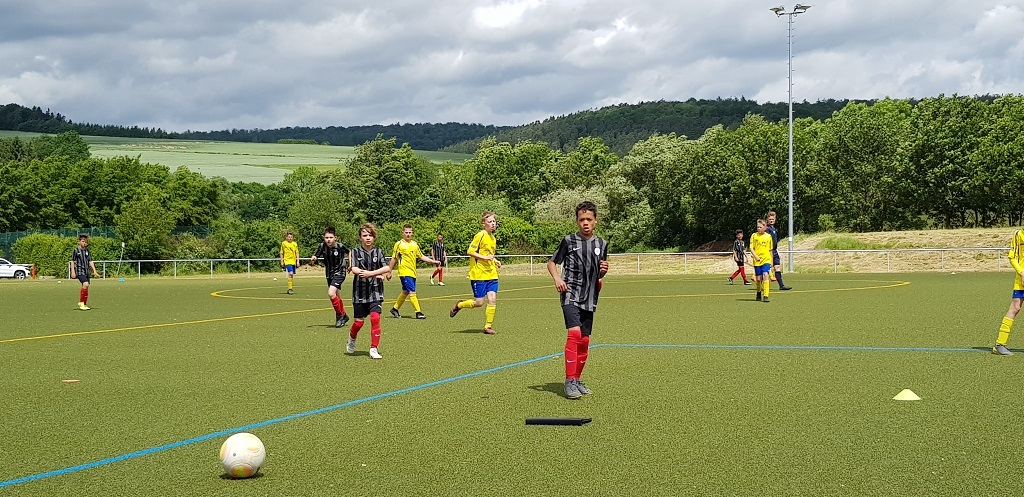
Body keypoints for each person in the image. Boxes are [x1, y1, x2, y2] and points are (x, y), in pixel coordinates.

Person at [547, 201, 608, 400]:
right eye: (582, 219)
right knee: (574, 333)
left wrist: (603, 272)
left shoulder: (602, 244)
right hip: (570, 293)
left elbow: (598, 273)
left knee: (585, 340)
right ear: (577, 221)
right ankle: (569, 381)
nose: (585, 223)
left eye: (589, 219)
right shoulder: (569, 241)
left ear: (596, 221)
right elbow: (552, 263)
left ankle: (577, 380)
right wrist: (558, 278)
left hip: (590, 296)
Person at [450, 211, 502, 334]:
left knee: (492, 299)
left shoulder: (493, 238)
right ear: (483, 223)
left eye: (494, 221)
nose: (493, 224)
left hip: (491, 273)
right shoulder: (480, 235)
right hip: (479, 274)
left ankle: (488, 327)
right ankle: (460, 305)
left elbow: (489, 254)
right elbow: (470, 251)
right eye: (490, 221)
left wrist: (495, 260)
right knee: (479, 302)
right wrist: (485, 258)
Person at [348, 223, 392, 360]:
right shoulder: (355, 252)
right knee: (359, 322)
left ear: (374, 237)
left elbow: (386, 268)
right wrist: (374, 274)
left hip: (375, 290)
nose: (368, 238)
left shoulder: (379, 252)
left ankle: (373, 348)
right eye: (365, 235)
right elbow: (354, 269)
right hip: (359, 292)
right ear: (360, 237)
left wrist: (371, 274)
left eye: (370, 235)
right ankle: (352, 338)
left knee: (375, 318)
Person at [388, 224, 440, 319]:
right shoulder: (399, 244)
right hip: (404, 272)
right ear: (402, 233)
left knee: (405, 291)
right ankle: (418, 312)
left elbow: (421, 256)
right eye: (406, 232)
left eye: (410, 232)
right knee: (412, 292)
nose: (408, 234)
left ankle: (395, 309)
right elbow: (394, 258)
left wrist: (433, 261)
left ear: (412, 233)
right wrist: (389, 271)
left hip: (412, 272)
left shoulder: (415, 244)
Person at [309, 226, 350, 328]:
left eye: (331, 237)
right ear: (324, 238)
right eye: (327, 237)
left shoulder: (340, 246)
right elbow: (316, 255)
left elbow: (350, 252)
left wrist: (351, 264)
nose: (329, 240)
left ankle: (339, 315)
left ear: (335, 238)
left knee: (331, 293)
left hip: (340, 272)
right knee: (336, 296)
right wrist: (314, 257)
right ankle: (344, 315)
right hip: (329, 273)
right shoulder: (322, 246)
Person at [992, 228, 1024, 355]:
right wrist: (1021, 273)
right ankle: (1000, 344)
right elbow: (1012, 257)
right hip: (1021, 280)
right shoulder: (1018, 234)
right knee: (1015, 308)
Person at [70, 234, 100, 310]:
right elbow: (72, 261)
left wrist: (94, 271)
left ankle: (84, 303)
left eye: (86, 242)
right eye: (83, 241)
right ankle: (81, 302)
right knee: (85, 284)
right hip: (80, 271)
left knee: (86, 286)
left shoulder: (87, 251)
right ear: (79, 242)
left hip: (86, 271)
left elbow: (90, 261)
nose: (84, 243)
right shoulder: (76, 250)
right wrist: (73, 272)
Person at [766, 211, 792, 290]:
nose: (771, 220)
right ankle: (760, 284)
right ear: (767, 220)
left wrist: (776, 250)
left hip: (774, 251)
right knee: (766, 268)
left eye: (773, 219)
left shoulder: (773, 229)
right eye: (770, 219)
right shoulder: (767, 229)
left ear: (775, 220)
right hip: (769, 251)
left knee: (777, 267)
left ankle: (781, 285)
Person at [749, 219, 773, 303]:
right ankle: (758, 292)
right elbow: (751, 248)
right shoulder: (754, 236)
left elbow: (770, 250)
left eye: (760, 227)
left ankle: (766, 295)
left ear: (765, 227)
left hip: (766, 259)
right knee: (758, 279)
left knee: (766, 275)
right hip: (757, 261)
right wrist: (755, 256)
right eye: (757, 227)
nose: (758, 229)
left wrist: (771, 261)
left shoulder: (768, 237)